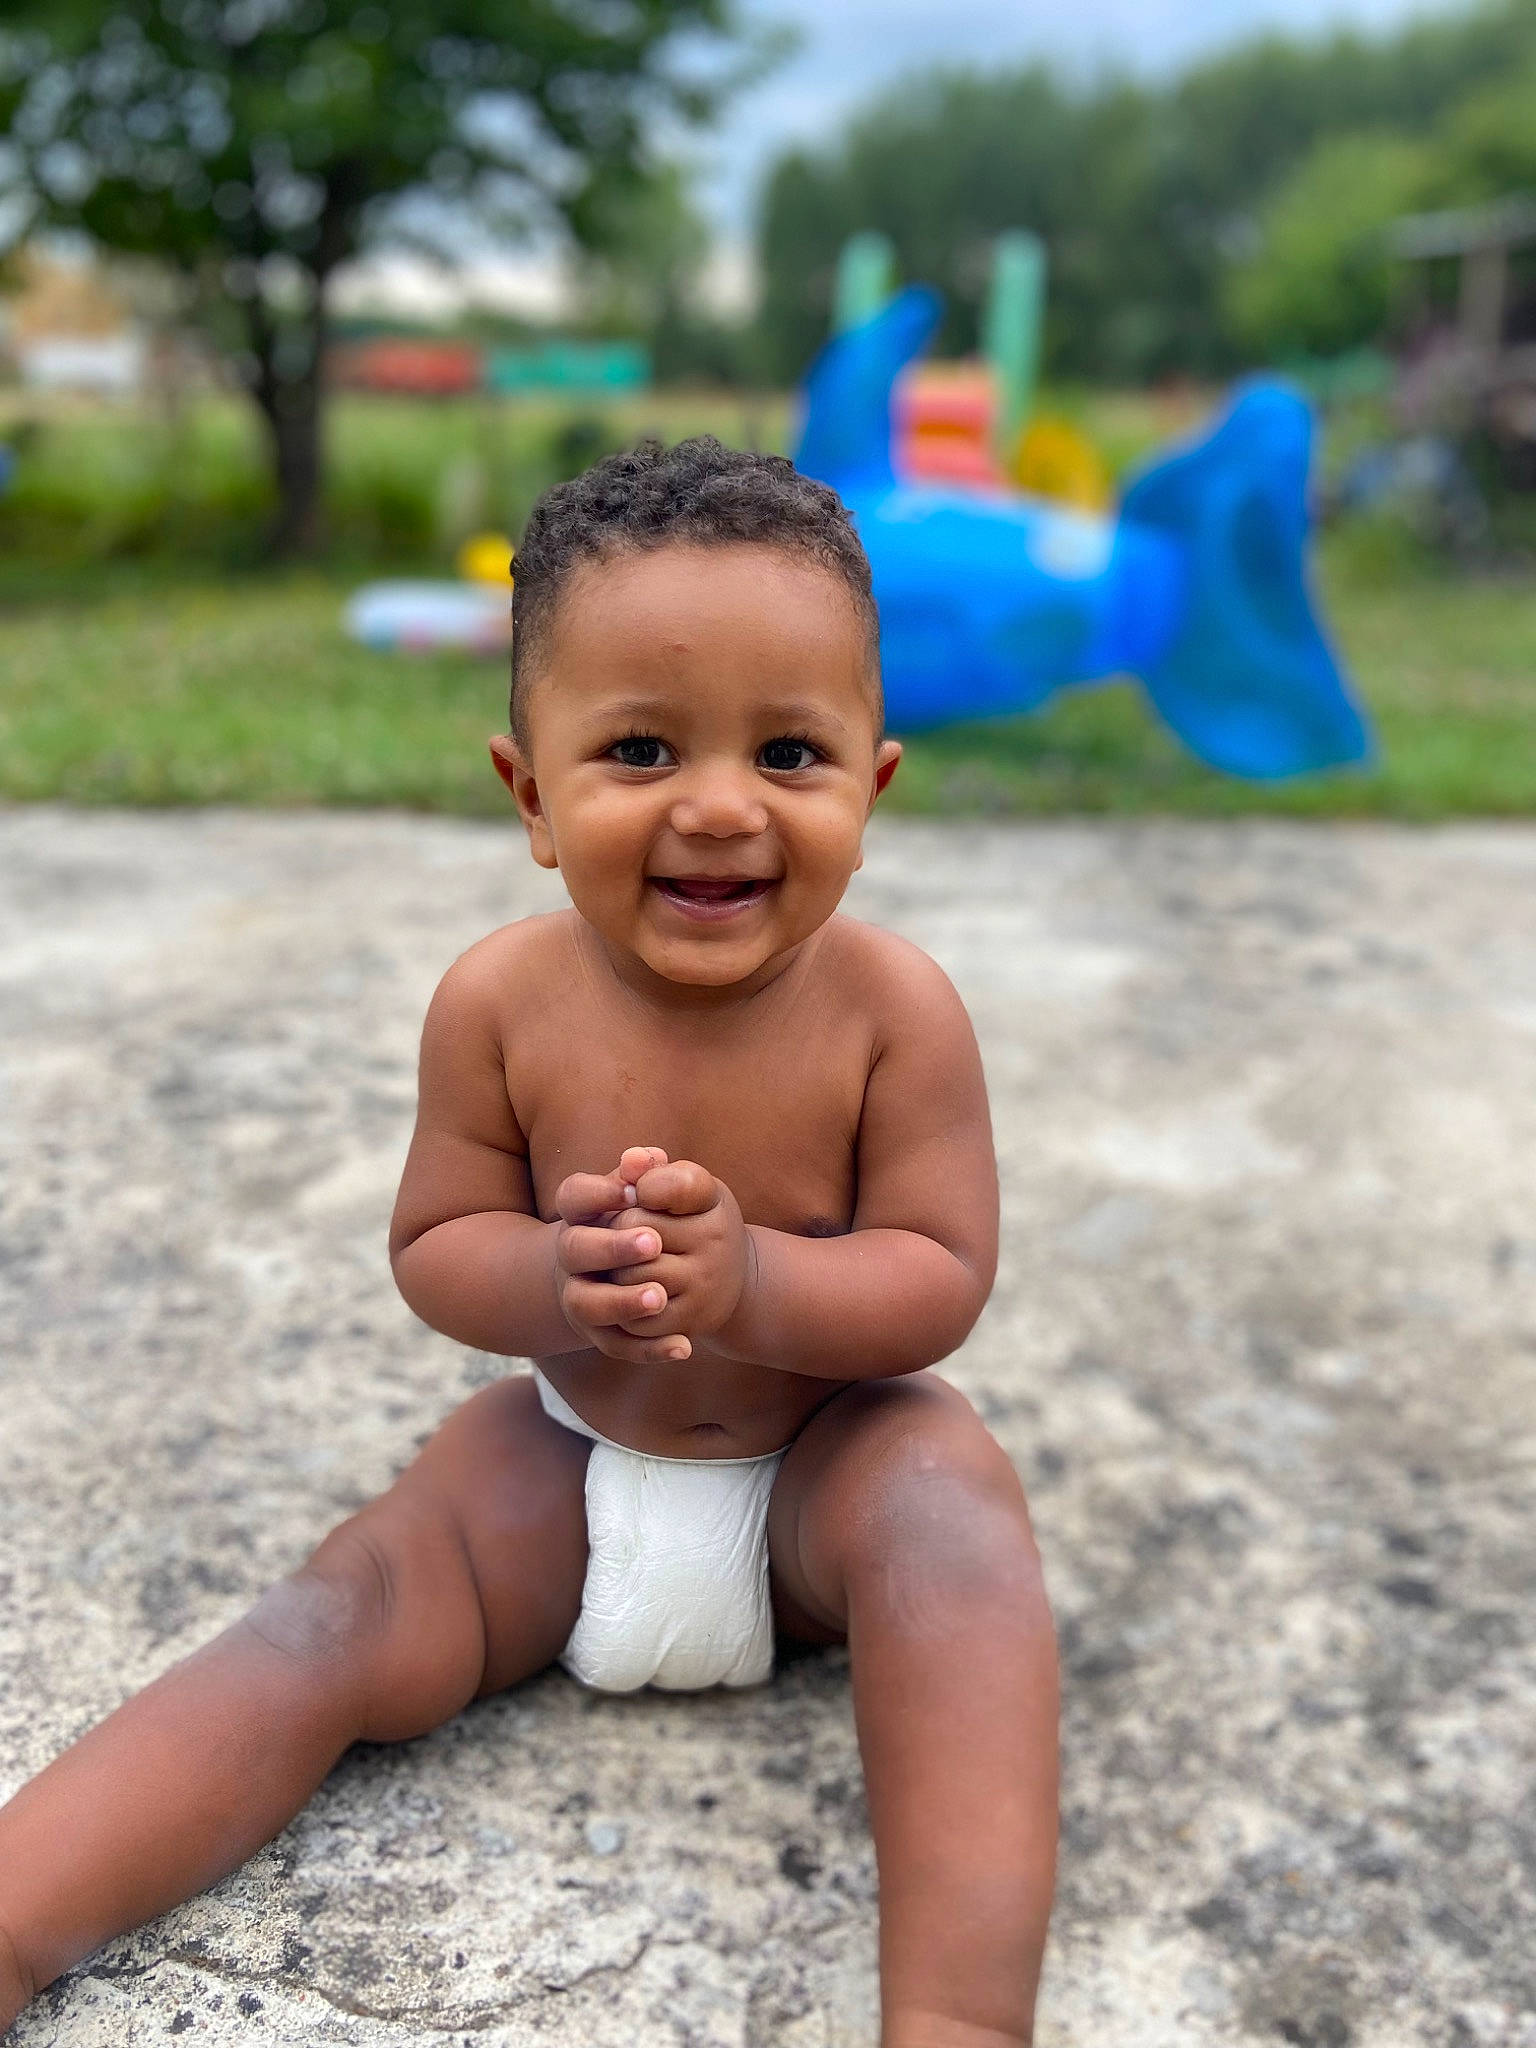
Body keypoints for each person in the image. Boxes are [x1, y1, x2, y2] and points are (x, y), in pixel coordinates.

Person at [0, 438, 1059, 2048]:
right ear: (531, 795)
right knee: (329, 1617)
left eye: (789, 752)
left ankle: (961, 2021)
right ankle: (17, 1919)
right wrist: (548, 1280)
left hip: (815, 1486)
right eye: (639, 749)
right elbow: (436, 1245)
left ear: (873, 786)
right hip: (563, 1475)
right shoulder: (499, 1003)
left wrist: (760, 1282)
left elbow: (939, 1277)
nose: (719, 808)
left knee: (956, 1515)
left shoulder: (894, 1015)